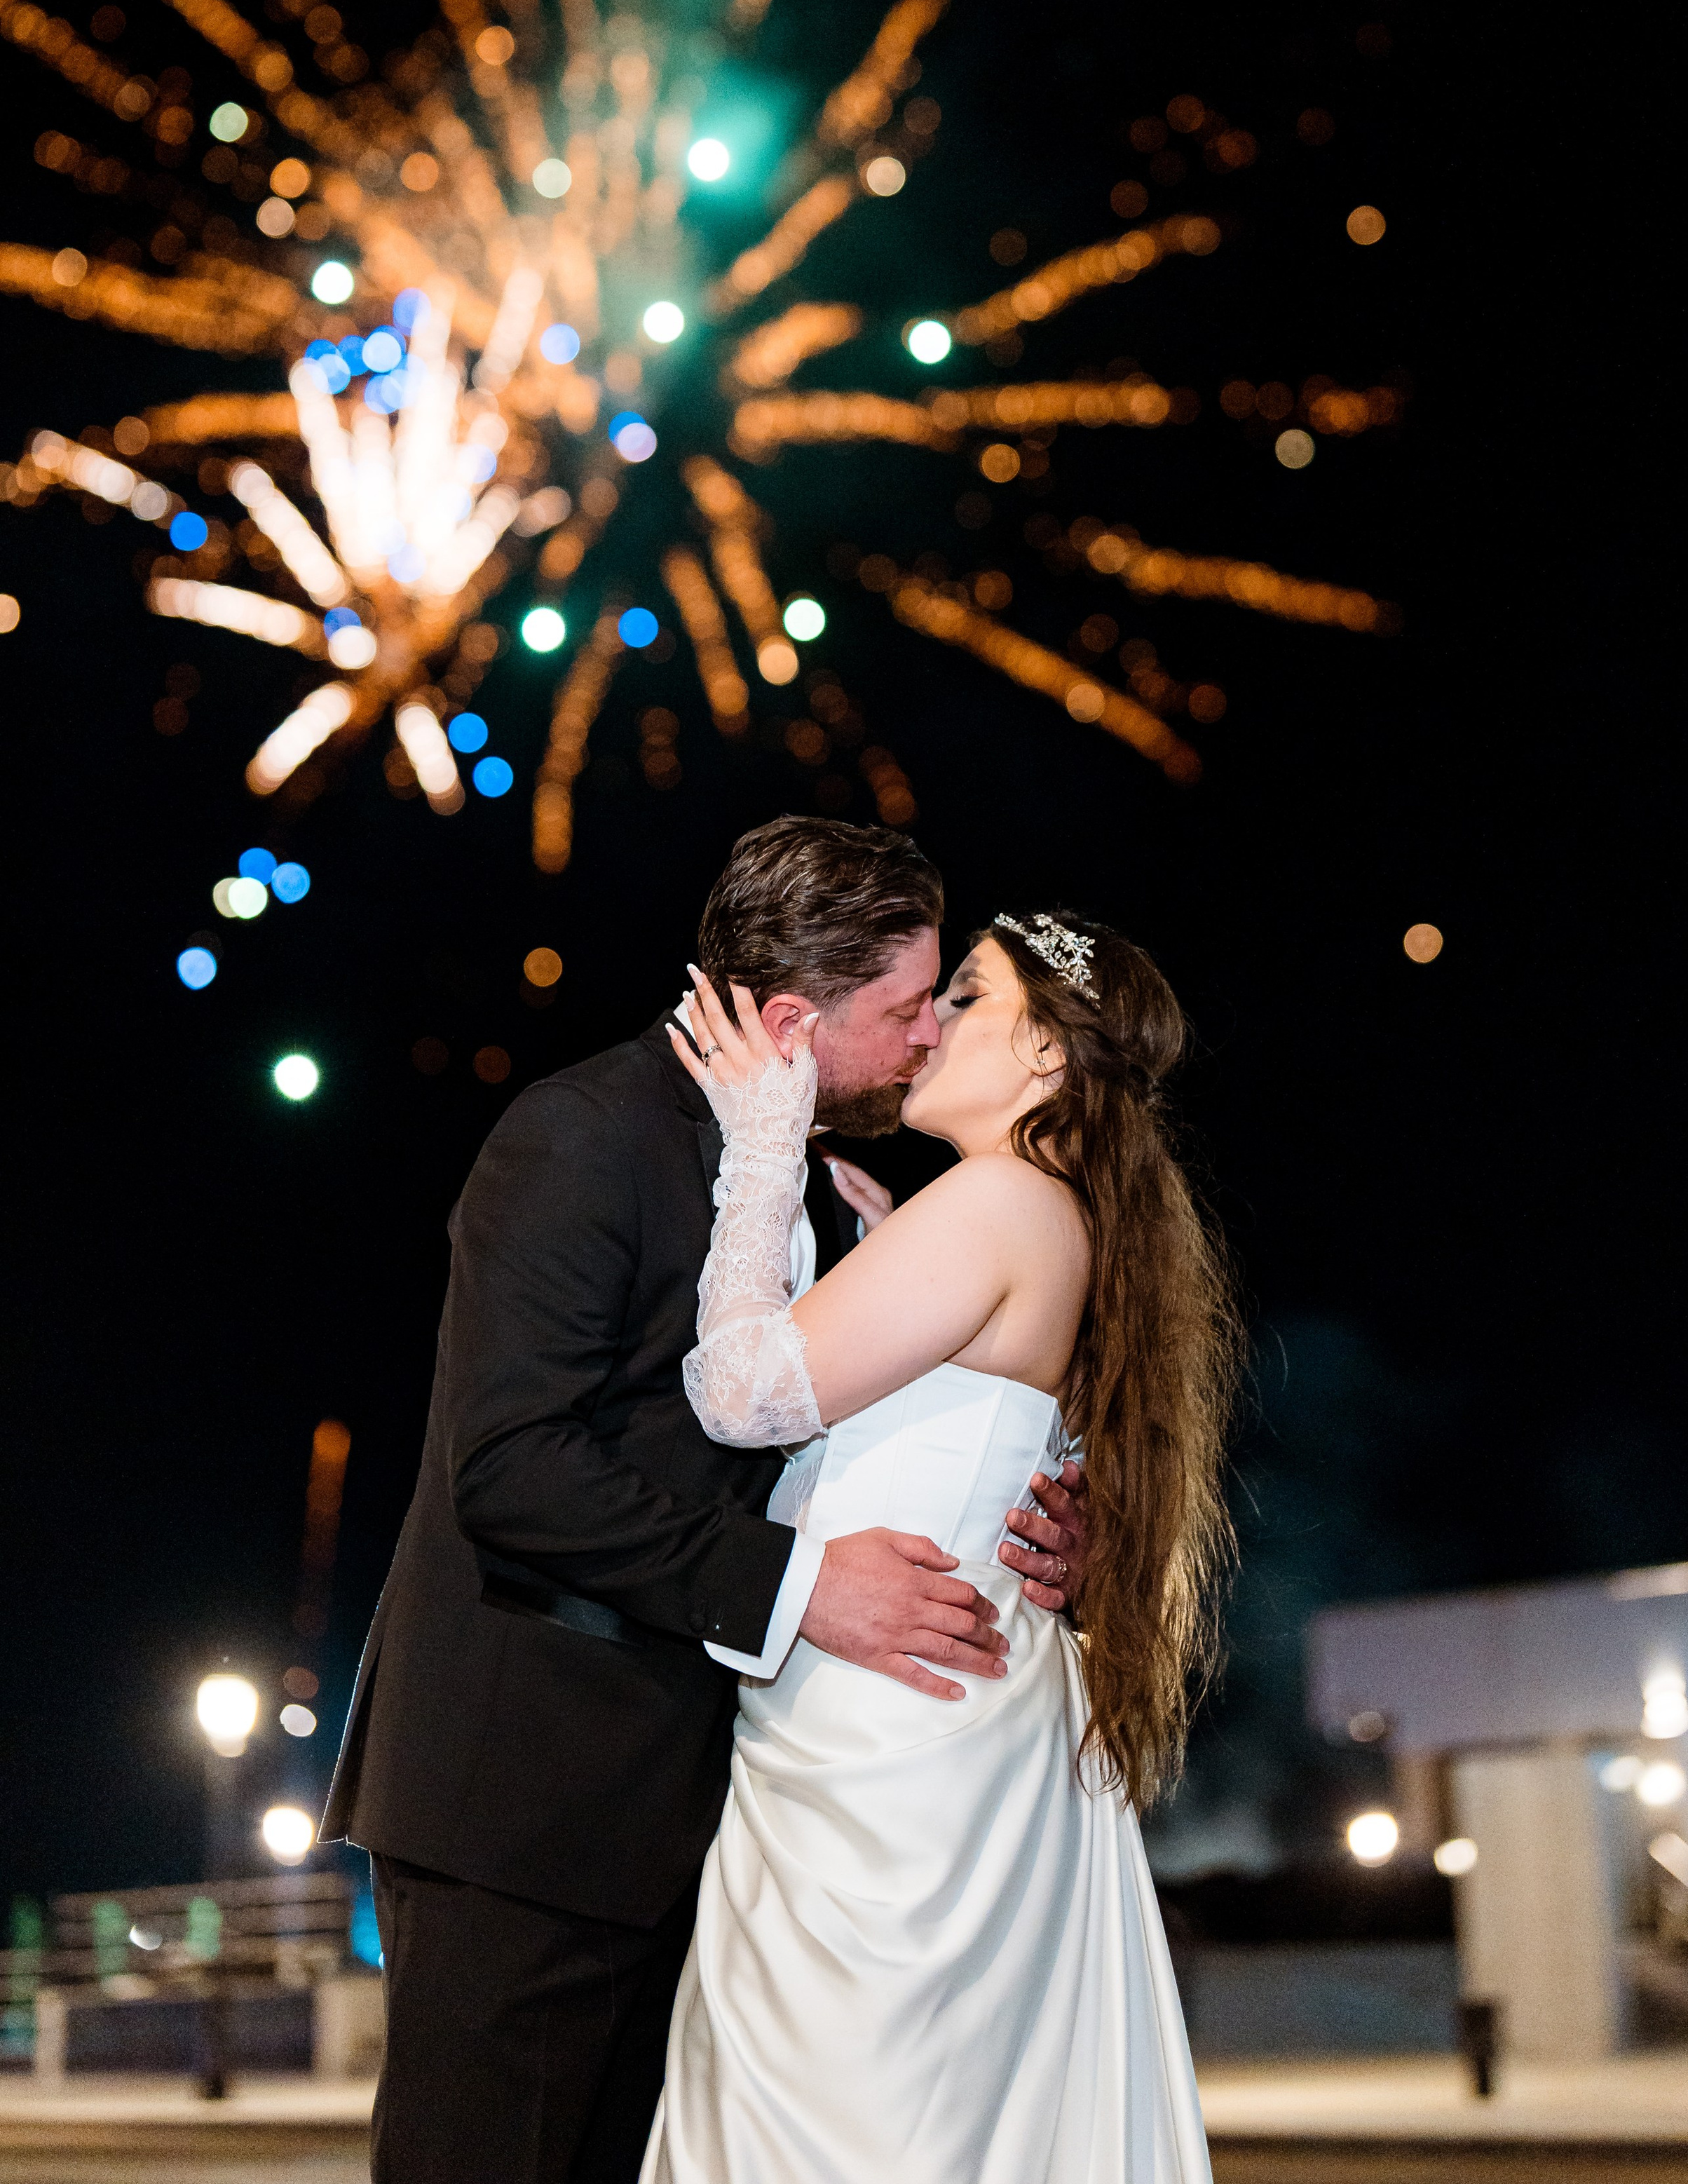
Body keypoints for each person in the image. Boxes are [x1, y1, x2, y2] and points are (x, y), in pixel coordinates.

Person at [320, 819, 1088, 2183]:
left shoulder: (846, 1197)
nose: (928, 1036)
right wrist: (803, 1587)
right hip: (528, 1801)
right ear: (794, 1016)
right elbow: (511, 1473)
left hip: (722, 1818)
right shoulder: (578, 1138)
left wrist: (1038, 1517)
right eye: (906, 1009)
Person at [643, 909, 1241, 2182]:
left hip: (887, 1736)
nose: (928, 1025)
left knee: (843, 2129)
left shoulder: (997, 1200)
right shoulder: (1051, 1213)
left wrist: (757, 1150)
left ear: (1043, 1061)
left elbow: (743, 1393)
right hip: (949, 1715)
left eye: (965, 997)